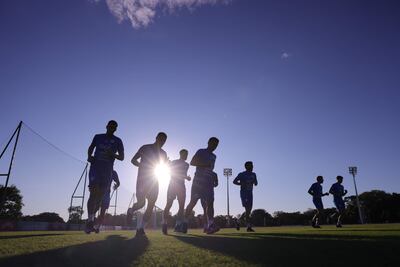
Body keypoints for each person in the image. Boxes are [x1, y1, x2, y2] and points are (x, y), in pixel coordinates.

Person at [85, 120, 124, 234]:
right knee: (93, 192)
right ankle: (90, 220)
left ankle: (95, 223)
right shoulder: (98, 137)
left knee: (100, 197)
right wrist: (89, 156)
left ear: (116, 129)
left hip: (107, 171)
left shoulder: (118, 141)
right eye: (110, 126)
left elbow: (122, 157)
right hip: (96, 167)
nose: (112, 128)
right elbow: (91, 147)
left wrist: (112, 154)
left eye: (114, 127)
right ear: (106, 126)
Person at [129, 132, 168, 237]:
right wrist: (142, 165)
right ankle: (131, 210)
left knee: (151, 205)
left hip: (154, 180)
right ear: (156, 138)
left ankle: (141, 228)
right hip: (143, 179)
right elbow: (133, 160)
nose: (162, 142)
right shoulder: (145, 148)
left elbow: (164, 167)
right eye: (161, 139)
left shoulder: (164, 154)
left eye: (164, 140)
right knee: (141, 203)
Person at [182, 137, 219, 234]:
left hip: (208, 182)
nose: (214, 146)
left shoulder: (214, 156)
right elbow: (192, 162)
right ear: (208, 143)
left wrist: (215, 177)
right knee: (193, 203)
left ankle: (211, 225)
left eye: (216, 145)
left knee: (210, 202)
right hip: (198, 181)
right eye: (213, 144)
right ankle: (184, 223)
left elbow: (210, 169)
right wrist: (204, 164)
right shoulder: (201, 151)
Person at [162, 149, 191, 234]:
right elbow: (171, 171)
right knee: (169, 204)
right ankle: (164, 224)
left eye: (187, 154)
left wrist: (186, 177)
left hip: (181, 186)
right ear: (181, 154)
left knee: (181, 206)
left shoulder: (186, 164)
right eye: (185, 154)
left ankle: (178, 225)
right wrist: (166, 162)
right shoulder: (174, 162)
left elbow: (183, 174)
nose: (186, 156)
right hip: (173, 185)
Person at [233, 161, 258, 232]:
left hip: (250, 194)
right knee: (247, 209)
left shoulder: (254, 174)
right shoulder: (242, 174)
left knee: (248, 212)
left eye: (252, 165)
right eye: (251, 165)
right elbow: (234, 181)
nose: (252, 167)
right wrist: (241, 183)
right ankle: (248, 227)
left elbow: (256, 183)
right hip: (244, 193)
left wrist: (254, 182)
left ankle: (239, 222)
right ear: (247, 167)